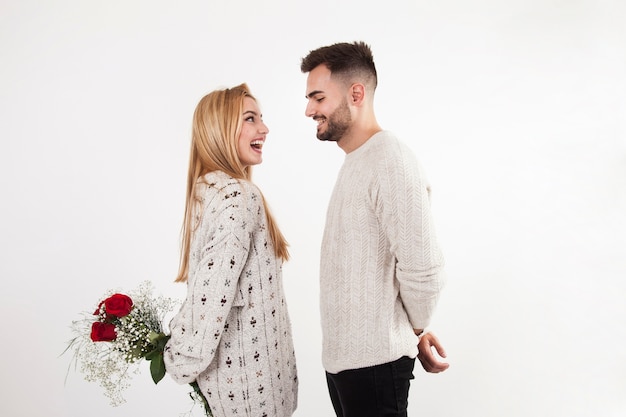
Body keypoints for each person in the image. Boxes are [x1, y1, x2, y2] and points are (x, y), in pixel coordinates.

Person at [300, 41, 449, 417]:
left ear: (356, 93)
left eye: (318, 97)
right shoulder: (357, 160)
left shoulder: (390, 160)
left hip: (375, 366)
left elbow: (425, 269)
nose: (309, 110)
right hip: (347, 365)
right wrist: (414, 330)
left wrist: (414, 329)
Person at [163, 83, 298, 417]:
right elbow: (210, 298)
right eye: (250, 119)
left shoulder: (207, 191)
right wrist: (178, 357)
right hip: (253, 395)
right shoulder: (238, 196)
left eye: (260, 118)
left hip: (238, 389)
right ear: (219, 130)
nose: (264, 128)